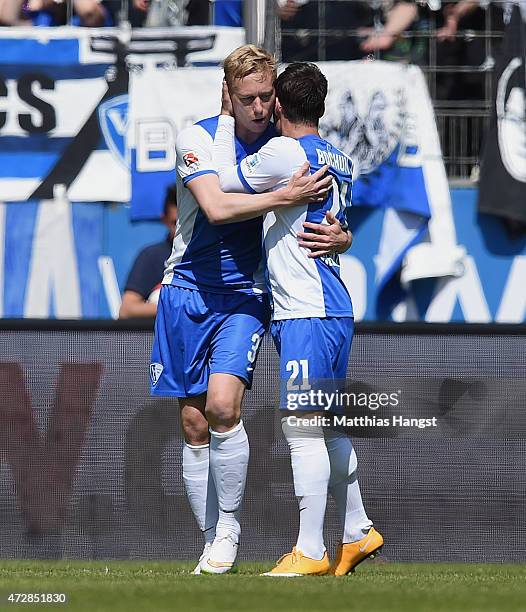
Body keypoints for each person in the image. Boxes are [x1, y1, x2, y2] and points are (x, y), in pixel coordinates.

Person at [149, 44, 346, 575]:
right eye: (249, 99)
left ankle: (230, 528)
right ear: (228, 97)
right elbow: (214, 208)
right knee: (193, 425)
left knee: (221, 408)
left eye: (266, 97)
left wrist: (341, 237)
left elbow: (330, 205)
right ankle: (211, 536)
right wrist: (282, 198)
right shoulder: (197, 140)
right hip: (186, 290)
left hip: (245, 296)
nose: (260, 108)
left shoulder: (286, 146)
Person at [213, 62, 382, 576]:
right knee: (325, 427)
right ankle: (358, 530)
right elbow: (335, 229)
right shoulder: (340, 157)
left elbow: (222, 180)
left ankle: (309, 550)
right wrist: (346, 238)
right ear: (323, 107)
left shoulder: (284, 151)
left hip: (305, 308)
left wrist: (226, 118)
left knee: (303, 428)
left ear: (280, 106)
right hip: (333, 305)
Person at [119, 185, 178, 320]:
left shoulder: (210, 255)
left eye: (186, 224)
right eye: (175, 223)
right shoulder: (152, 256)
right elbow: (126, 310)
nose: (181, 230)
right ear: (164, 220)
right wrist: (175, 306)